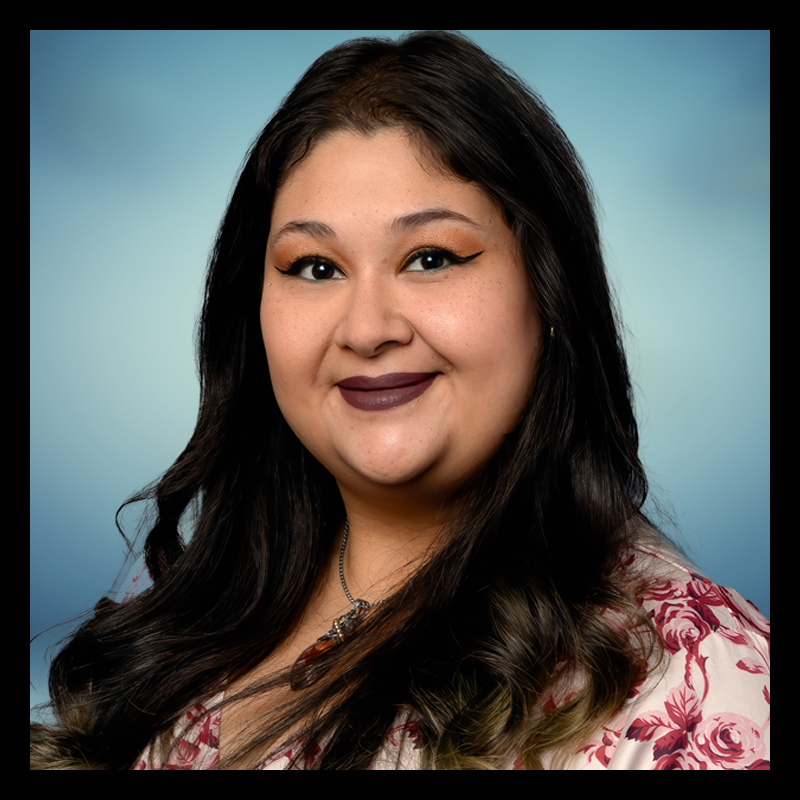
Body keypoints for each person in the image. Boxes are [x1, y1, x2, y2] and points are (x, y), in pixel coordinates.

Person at [30, 31, 769, 770]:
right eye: (315, 267)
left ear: (550, 292)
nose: (367, 329)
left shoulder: (698, 683)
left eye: (430, 258)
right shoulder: (198, 612)